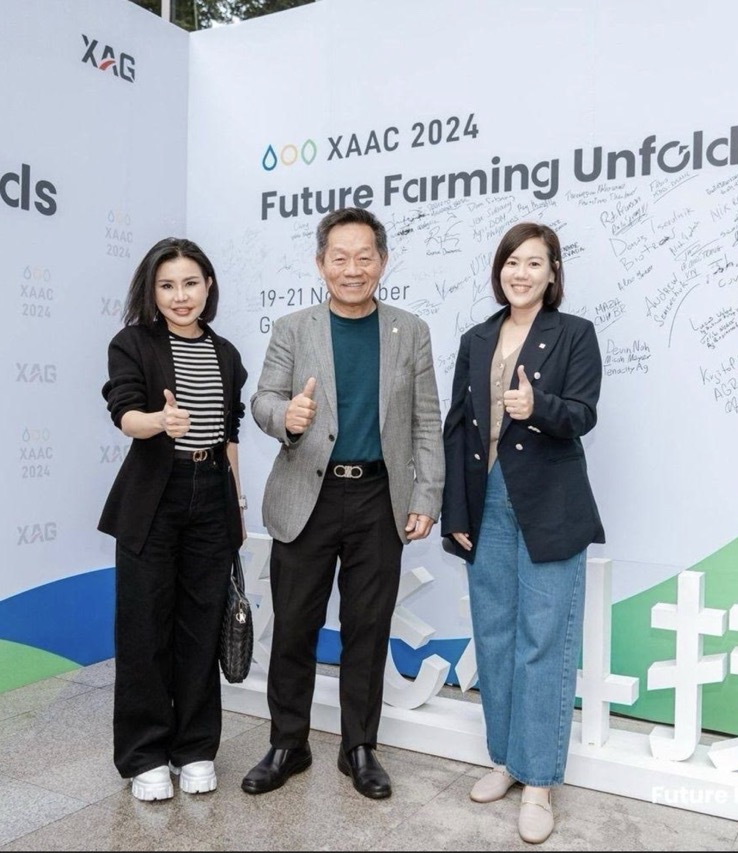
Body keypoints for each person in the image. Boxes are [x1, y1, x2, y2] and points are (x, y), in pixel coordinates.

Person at [242, 207, 444, 800]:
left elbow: (426, 421)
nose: (352, 269)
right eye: (339, 257)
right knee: (293, 626)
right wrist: (287, 416)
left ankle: (359, 747)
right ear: (320, 263)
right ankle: (288, 743)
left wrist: (427, 494)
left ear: (382, 261)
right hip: (308, 493)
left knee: (368, 629)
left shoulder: (411, 330)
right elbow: (263, 400)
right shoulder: (293, 328)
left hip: (380, 496)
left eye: (364, 257)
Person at [440, 221, 604, 843]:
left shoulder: (575, 334)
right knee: (496, 635)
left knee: (543, 640)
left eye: (535, 263)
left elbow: (583, 414)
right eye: (512, 262)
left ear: (553, 272)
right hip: (484, 499)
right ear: (499, 269)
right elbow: (458, 427)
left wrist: (540, 409)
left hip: (549, 503)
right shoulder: (477, 338)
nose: (522, 273)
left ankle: (538, 780)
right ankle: (506, 761)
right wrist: (456, 511)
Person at [97, 237, 249, 802]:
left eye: (189, 283)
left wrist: (235, 506)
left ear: (208, 286)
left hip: (212, 495)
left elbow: (229, 435)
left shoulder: (226, 353)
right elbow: (125, 415)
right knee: (144, 628)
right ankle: (144, 755)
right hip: (154, 497)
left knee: (201, 626)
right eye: (167, 285)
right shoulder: (132, 343)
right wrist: (158, 421)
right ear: (151, 291)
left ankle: (195, 748)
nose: (180, 296)